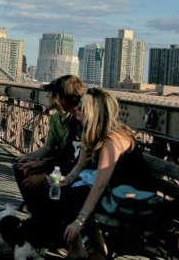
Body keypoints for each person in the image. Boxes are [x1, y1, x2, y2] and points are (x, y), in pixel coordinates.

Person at [57, 88, 152, 259]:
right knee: (65, 191)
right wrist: (67, 179)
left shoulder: (113, 139)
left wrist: (79, 221)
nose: (76, 108)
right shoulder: (90, 131)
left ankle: (99, 250)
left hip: (132, 195)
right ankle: (81, 248)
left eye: (82, 107)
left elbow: (100, 185)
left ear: (93, 112)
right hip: (114, 188)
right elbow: (80, 166)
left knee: (77, 196)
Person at [13, 75, 85, 215]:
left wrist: (46, 173)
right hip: (69, 167)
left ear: (60, 98)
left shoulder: (81, 122)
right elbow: (68, 155)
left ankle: (44, 220)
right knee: (22, 167)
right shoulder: (70, 120)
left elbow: (79, 160)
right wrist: (36, 161)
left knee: (48, 186)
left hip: (85, 176)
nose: (48, 96)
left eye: (51, 93)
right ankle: (38, 215)